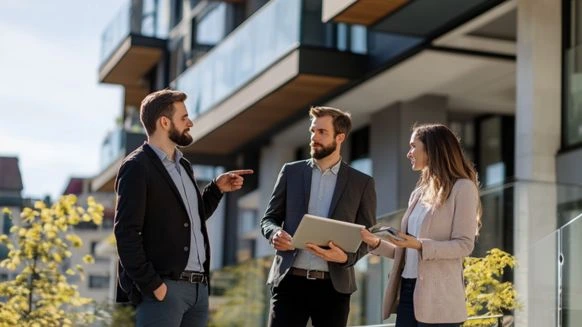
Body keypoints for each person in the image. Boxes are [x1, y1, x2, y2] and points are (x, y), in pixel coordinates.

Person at [114, 89, 253, 327]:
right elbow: (126, 233)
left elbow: (190, 219)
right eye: (184, 117)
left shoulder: (184, 166)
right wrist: (153, 286)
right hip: (165, 290)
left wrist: (216, 189)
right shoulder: (137, 167)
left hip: (198, 291)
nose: (190, 122)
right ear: (164, 122)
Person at [261, 106, 377, 327]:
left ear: (340, 137)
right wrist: (274, 232)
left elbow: (368, 236)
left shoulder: (361, 183)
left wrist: (345, 258)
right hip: (289, 283)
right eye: (313, 131)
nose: (314, 137)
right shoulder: (290, 172)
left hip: (334, 288)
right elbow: (269, 218)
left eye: (322, 132)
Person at [360, 123, 481, 327]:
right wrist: (375, 243)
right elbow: (408, 251)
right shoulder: (419, 193)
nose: (409, 153)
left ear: (432, 149)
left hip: (440, 300)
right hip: (408, 292)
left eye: (413, 146)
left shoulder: (463, 188)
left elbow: (464, 245)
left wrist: (420, 245)